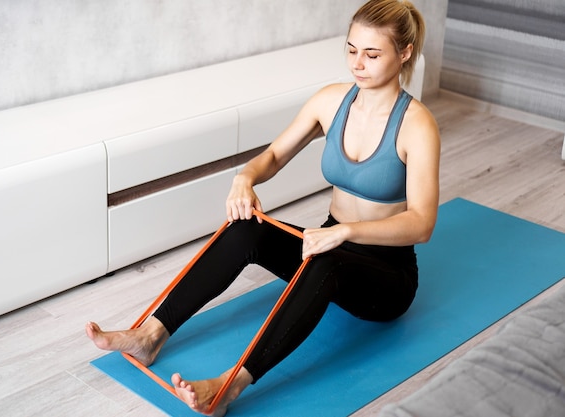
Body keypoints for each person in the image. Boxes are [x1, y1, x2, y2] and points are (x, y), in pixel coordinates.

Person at [86, 0, 440, 415]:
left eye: (372, 53)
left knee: (328, 261)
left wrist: (345, 233)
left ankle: (229, 387)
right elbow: (272, 156)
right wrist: (245, 178)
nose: (357, 64)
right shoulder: (330, 102)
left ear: (405, 52)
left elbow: (421, 223)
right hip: (326, 243)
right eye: (351, 49)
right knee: (245, 229)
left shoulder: (417, 125)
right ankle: (150, 336)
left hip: (386, 275)